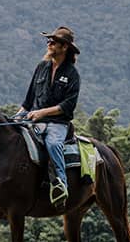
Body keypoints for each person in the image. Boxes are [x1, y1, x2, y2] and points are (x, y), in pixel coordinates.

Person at [16, 26, 81, 207]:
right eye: (49, 41)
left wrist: (42, 112)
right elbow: (28, 101)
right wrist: (16, 118)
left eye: (53, 41)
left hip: (57, 123)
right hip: (33, 120)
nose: (49, 44)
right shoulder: (41, 67)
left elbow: (68, 106)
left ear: (64, 47)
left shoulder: (72, 74)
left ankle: (61, 185)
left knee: (53, 144)